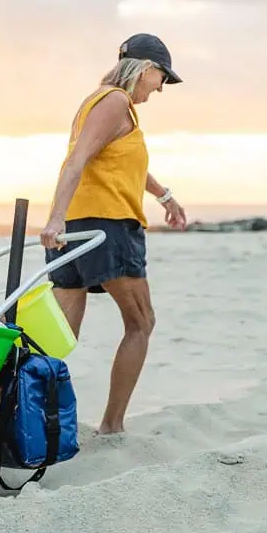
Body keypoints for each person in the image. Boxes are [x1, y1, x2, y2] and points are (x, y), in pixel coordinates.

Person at [39, 33, 187, 435]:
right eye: (162, 78)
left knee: (59, 337)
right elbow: (77, 161)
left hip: (77, 228)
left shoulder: (101, 101)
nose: (160, 88)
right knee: (142, 322)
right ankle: (112, 426)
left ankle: (17, 413)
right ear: (145, 69)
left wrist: (164, 196)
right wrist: (52, 218)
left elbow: (122, 165)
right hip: (107, 228)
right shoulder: (115, 102)